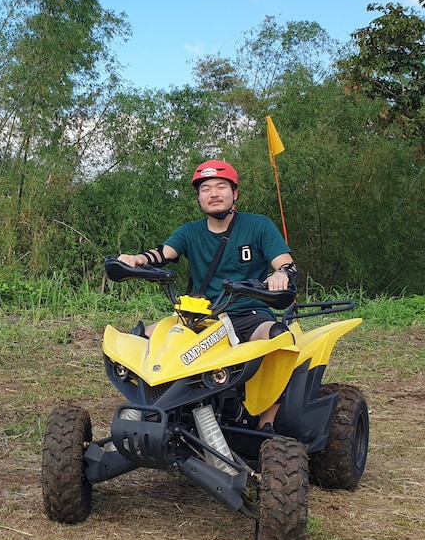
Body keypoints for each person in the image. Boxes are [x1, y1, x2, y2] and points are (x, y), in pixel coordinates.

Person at [116, 159, 297, 431]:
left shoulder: (258, 226)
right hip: (199, 318)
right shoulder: (190, 231)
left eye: (221, 187)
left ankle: (266, 421)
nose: (214, 193)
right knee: (137, 339)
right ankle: (150, 408)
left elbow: (285, 263)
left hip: (247, 314)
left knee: (280, 339)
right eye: (206, 188)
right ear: (199, 197)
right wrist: (138, 260)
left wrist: (281, 275)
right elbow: (162, 254)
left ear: (234, 193)